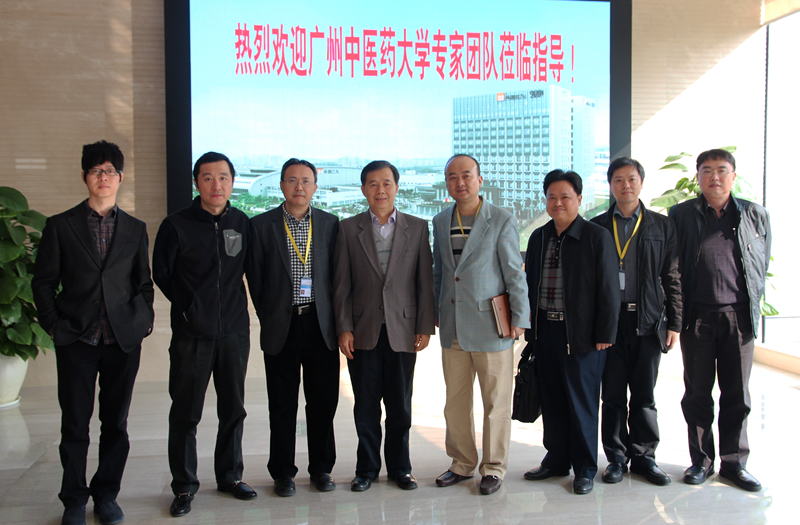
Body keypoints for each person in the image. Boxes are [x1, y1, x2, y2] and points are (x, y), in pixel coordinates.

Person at [32, 140, 154, 525]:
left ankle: (106, 496)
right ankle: (73, 500)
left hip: (121, 341)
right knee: (75, 424)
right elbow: (43, 283)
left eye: (110, 171)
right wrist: (54, 325)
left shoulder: (135, 228)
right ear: (85, 176)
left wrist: (142, 321)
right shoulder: (60, 226)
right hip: (76, 340)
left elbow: (143, 284)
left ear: (121, 177)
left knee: (115, 423)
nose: (104, 177)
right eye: (96, 171)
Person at [152, 152, 256, 517]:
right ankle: (184, 486)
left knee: (233, 409)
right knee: (186, 413)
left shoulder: (241, 222)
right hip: (191, 334)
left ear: (232, 182)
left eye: (223, 177)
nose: (217, 185)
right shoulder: (176, 224)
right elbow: (162, 273)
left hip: (234, 333)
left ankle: (230, 476)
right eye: (208, 177)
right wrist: (188, 308)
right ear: (196, 182)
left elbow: (250, 270)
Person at [669, 149, 771, 492]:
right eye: (707, 170)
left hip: (738, 318)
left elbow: (760, 265)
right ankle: (701, 462)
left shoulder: (755, 215)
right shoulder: (681, 214)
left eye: (722, 170)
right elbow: (674, 266)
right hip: (697, 318)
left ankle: (734, 463)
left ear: (733, 176)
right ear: (698, 176)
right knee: (697, 393)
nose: (715, 177)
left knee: (737, 395)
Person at [333, 160, 435, 492]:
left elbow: (424, 281)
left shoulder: (417, 227)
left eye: (387, 183)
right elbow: (341, 285)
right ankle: (366, 470)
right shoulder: (348, 229)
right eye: (373, 184)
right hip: (362, 331)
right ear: (364, 189)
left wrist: (424, 325)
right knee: (365, 406)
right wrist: (344, 327)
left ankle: (400, 468)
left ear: (397, 187)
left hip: (403, 330)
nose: (380, 190)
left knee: (400, 406)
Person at [432, 154, 530, 496]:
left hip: (491, 326)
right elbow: (440, 272)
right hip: (453, 326)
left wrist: (520, 317)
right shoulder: (440, 220)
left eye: (466, 175)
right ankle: (461, 463)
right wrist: (435, 312)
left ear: (480, 179)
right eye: (452, 177)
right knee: (455, 403)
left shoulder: (501, 218)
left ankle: (493, 467)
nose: (460, 182)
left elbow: (514, 272)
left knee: (496, 403)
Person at [248, 158, 340, 497]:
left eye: (305, 181)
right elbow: (256, 280)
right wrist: (272, 315)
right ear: (281, 185)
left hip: (321, 324)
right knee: (282, 404)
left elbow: (337, 277)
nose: (299, 187)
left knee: (323, 402)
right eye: (292, 180)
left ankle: (322, 469)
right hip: (281, 325)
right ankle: (283, 472)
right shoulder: (261, 225)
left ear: (315, 186)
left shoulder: (330, 224)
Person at [523, 169, 619, 495]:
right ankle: (556, 459)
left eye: (565, 197)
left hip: (583, 335)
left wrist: (605, 332)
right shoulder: (539, 237)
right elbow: (529, 285)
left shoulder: (596, 236)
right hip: (546, 330)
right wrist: (530, 331)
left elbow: (609, 289)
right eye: (552, 197)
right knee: (552, 399)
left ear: (579, 199)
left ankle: (585, 468)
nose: (558, 203)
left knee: (582, 403)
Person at [590, 157, 682, 486]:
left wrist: (675, 322)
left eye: (631, 179)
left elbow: (672, 276)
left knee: (644, 395)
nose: (625, 185)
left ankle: (644, 458)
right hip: (610, 324)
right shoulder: (597, 226)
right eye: (618, 180)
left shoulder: (661, 225)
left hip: (648, 321)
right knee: (613, 395)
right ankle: (616, 459)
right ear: (610, 185)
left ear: (641, 183)